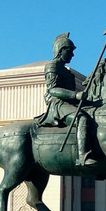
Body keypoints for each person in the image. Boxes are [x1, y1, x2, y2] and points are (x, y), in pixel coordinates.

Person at [34, 32, 96, 166]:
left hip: (69, 103)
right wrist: (75, 95)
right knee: (82, 119)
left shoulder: (67, 72)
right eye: (70, 51)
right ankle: (83, 156)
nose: (72, 55)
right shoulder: (52, 66)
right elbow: (52, 89)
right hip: (57, 104)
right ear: (61, 50)